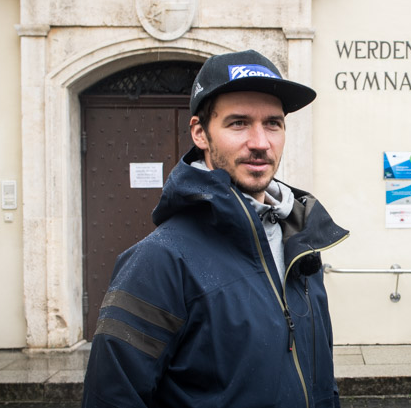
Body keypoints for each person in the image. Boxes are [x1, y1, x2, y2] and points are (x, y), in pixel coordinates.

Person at [82, 49, 349, 408]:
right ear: (200, 133)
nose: (260, 142)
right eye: (238, 123)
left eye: (273, 123)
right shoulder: (158, 262)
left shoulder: (299, 244)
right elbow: (111, 399)